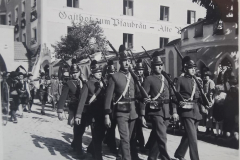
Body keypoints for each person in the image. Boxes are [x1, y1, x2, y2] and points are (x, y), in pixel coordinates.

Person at [104, 45, 142, 160]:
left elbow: (138, 93)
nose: (127, 63)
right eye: (124, 61)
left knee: (129, 138)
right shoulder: (114, 77)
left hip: (133, 112)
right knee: (124, 139)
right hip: (121, 111)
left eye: (129, 61)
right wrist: (106, 114)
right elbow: (108, 97)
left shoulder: (133, 76)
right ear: (120, 62)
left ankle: (120, 157)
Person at [142, 51, 177, 160]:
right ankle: (166, 158)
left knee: (158, 136)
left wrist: (174, 111)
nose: (160, 67)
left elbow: (173, 96)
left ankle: (152, 158)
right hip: (155, 111)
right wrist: (142, 114)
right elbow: (143, 97)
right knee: (162, 136)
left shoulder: (167, 78)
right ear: (152, 67)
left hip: (166, 111)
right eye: (157, 65)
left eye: (161, 65)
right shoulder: (148, 79)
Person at [174, 56, 208, 160]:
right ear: (185, 69)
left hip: (196, 111)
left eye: (194, 68)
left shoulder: (197, 81)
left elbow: (198, 96)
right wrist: (175, 111)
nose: (193, 69)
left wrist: (205, 103)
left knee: (188, 135)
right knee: (193, 138)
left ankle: (179, 153)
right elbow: (175, 97)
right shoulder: (179, 80)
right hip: (186, 111)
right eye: (191, 68)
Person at [75, 60, 106, 160]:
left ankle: (90, 150)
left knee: (101, 135)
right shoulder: (88, 84)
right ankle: (98, 157)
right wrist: (78, 115)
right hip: (93, 114)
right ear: (93, 72)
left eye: (100, 71)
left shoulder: (103, 83)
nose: (100, 73)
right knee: (97, 137)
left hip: (103, 114)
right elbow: (82, 100)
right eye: (97, 72)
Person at [57, 63, 85, 158]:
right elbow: (63, 97)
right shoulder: (68, 83)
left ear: (79, 72)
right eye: (73, 73)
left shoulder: (83, 82)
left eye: (76, 72)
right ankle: (79, 149)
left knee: (82, 129)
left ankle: (74, 143)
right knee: (78, 128)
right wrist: (60, 111)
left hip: (84, 109)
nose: (75, 74)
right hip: (74, 108)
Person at [103, 60, 118, 154]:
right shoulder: (105, 81)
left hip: (115, 106)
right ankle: (112, 146)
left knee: (112, 127)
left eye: (113, 72)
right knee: (111, 128)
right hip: (107, 107)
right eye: (110, 72)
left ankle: (108, 140)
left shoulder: (115, 80)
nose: (112, 74)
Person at [203, 71, 215, 135]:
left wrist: (210, 101)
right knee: (207, 115)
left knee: (210, 116)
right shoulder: (206, 83)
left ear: (209, 76)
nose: (205, 77)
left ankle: (211, 129)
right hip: (206, 100)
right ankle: (207, 128)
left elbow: (211, 93)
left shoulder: (211, 82)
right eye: (205, 76)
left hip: (209, 101)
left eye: (206, 76)